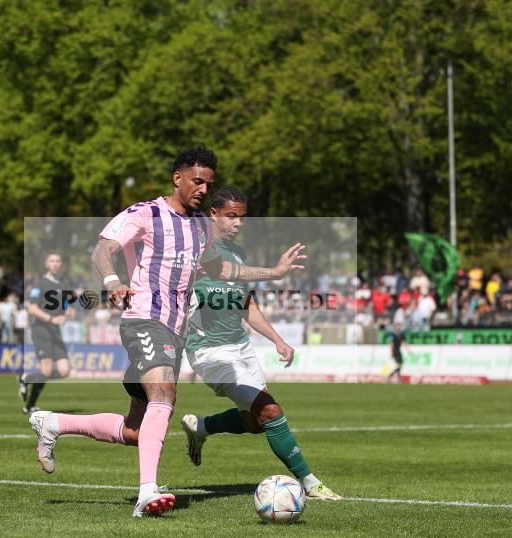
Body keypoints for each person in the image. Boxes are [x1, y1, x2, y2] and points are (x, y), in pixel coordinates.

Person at [28, 146, 306, 517]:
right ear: (178, 178)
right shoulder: (145, 214)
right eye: (197, 181)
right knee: (165, 394)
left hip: (174, 332)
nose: (204, 189)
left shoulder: (201, 229)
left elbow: (221, 270)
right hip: (144, 320)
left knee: (135, 431)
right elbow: (104, 249)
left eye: (208, 183)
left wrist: (273, 273)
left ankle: (54, 423)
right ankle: (147, 493)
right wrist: (112, 281)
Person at [179, 186, 341, 501]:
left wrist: (278, 340)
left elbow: (246, 304)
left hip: (241, 347)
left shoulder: (240, 253)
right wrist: (276, 273)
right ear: (214, 214)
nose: (238, 223)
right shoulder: (196, 248)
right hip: (210, 352)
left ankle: (201, 427)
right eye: (231, 216)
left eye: (242, 217)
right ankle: (310, 483)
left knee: (255, 422)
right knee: (270, 411)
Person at [19, 253, 74, 414]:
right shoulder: (40, 284)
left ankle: (27, 380)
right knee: (46, 369)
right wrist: (51, 319)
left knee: (64, 371)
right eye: (52, 261)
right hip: (41, 328)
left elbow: (66, 305)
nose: (55, 264)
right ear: (46, 264)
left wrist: (69, 311)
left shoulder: (63, 283)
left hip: (55, 331)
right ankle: (29, 406)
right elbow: (32, 308)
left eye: (58, 261)